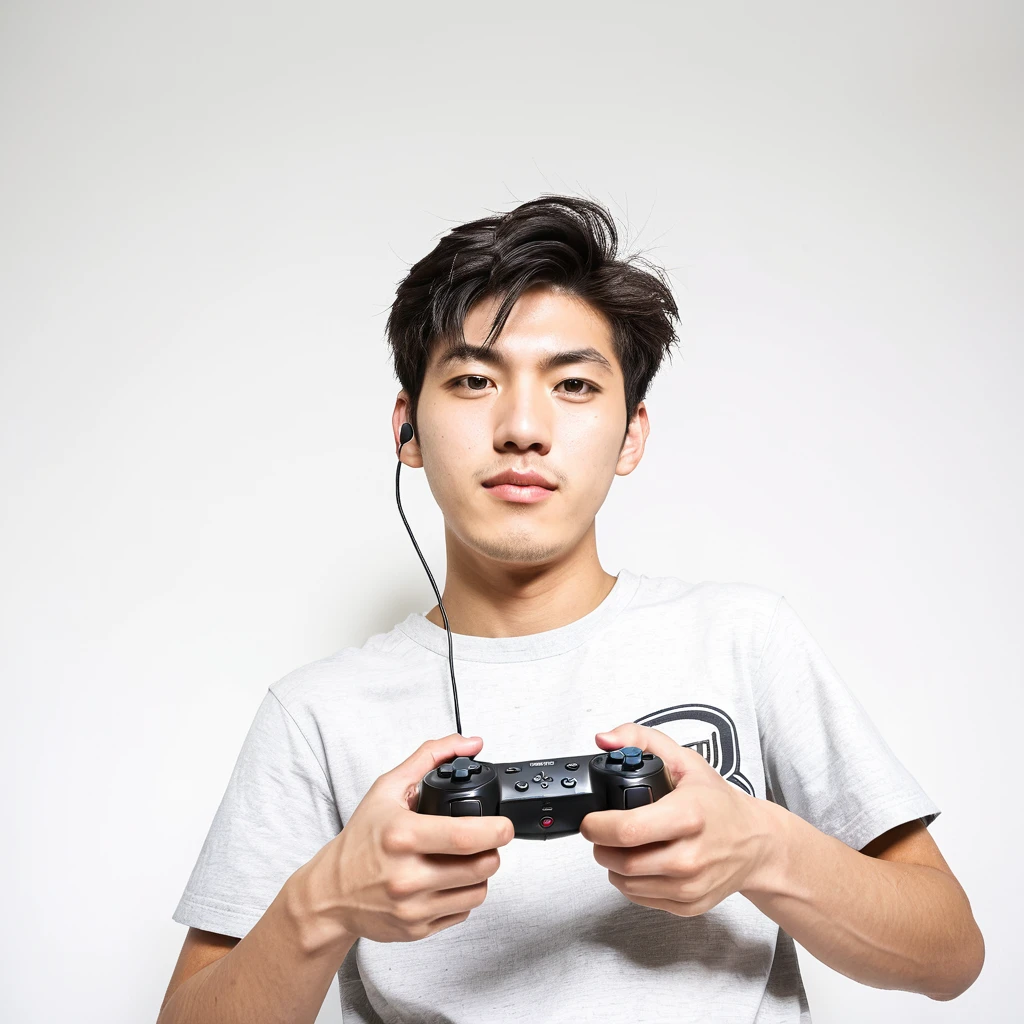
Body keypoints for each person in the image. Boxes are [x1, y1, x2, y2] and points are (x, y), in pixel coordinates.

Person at [157, 196, 984, 1023]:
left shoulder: (743, 638)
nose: (522, 427)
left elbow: (949, 955)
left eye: (576, 384)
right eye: (475, 380)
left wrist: (764, 848)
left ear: (631, 435)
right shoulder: (315, 715)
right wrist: (324, 902)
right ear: (407, 430)